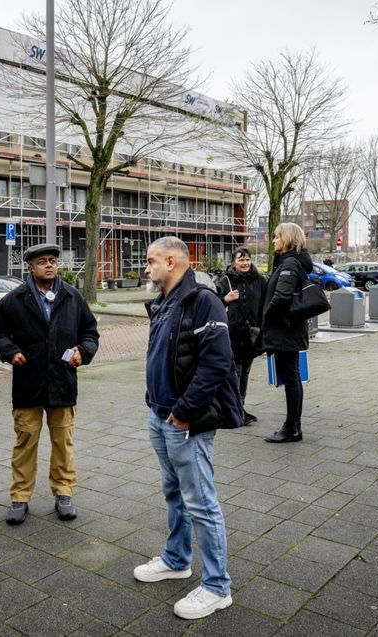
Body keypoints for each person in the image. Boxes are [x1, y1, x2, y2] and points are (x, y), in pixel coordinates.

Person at [134, 236, 241, 620]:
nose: (146, 268)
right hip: (160, 415)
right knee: (174, 492)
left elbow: (217, 363)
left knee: (201, 501)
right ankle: (177, 559)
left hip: (184, 422)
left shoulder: (203, 300)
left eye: (150, 262)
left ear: (171, 261)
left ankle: (216, 586)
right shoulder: (164, 302)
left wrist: (183, 412)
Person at [0, 243, 99, 525]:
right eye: (42, 261)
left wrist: (83, 352)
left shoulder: (73, 297)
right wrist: (9, 351)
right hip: (28, 384)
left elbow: (90, 332)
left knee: (63, 442)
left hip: (63, 383)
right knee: (25, 442)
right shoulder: (14, 299)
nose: (49, 265)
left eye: (52, 260)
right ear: (30, 266)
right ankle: (20, 496)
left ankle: (63, 493)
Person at [261, 222, 314, 444]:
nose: (273, 240)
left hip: (285, 330)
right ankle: (293, 426)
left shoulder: (290, 263)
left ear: (287, 238)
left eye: (276, 237)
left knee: (291, 377)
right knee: (292, 377)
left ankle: (292, 427)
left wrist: (266, 319)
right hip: (289, 328)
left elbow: (281, 297)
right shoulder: (290, 262)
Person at [215, 247, 266, 425]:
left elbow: (264, 305)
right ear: (233, 262)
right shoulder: (224, 281)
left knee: (245, 372)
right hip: (233, 334)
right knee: (235, 372)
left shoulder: (259, 280)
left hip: (252, 334)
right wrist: (225, 299)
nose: (245, 263)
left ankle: (239, 406)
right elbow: (212, 305)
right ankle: (234, 409)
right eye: (241, 260)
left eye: (247, 259)